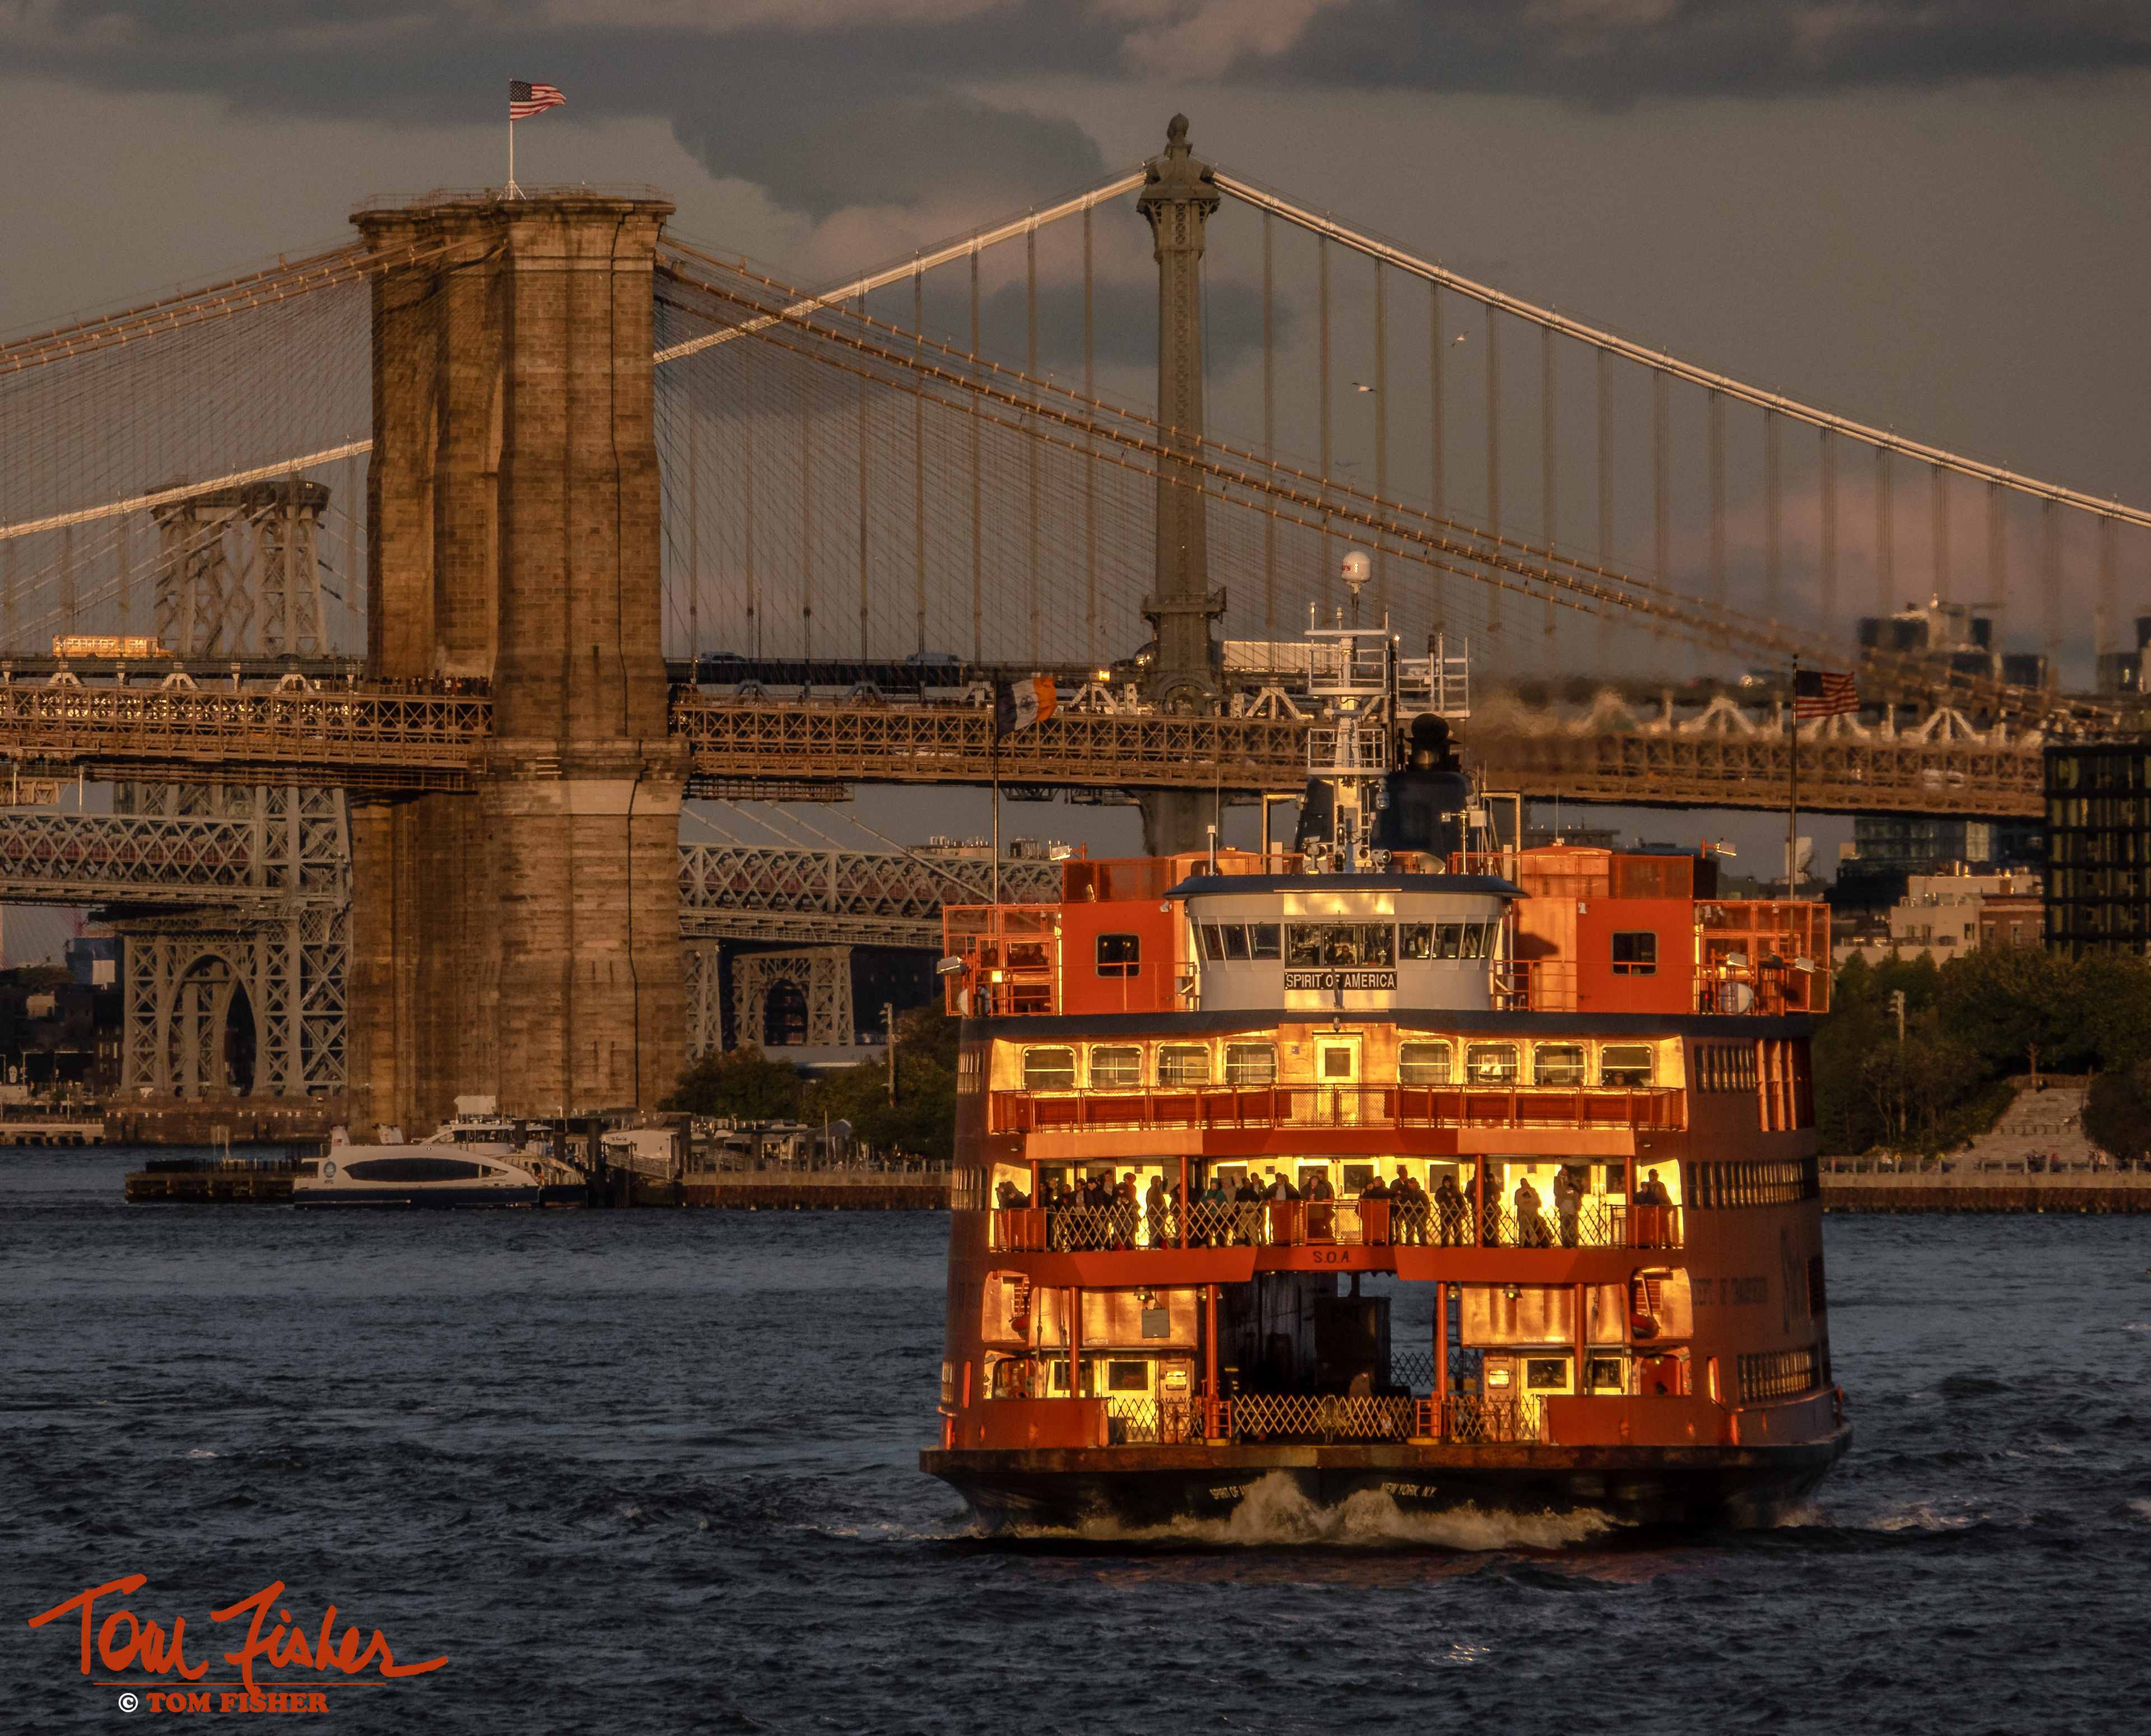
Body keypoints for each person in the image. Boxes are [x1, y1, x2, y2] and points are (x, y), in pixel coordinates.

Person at [1514, 1174, 1549, 1247]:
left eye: (1525, 1183)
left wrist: (1530, 1201)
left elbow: (1539, 1203)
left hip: (1532, 1214)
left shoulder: (1533, 1192)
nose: (1524, 1184)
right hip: (1523, 1214)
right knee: (1522, 1230)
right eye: (1522, 1183)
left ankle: (1533, 1244)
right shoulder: (1519, 1192)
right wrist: (1523, 1202)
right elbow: (1516, 1202)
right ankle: (1522, 1244)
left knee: (1532, 1229)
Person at [1433, 1172, 1468, 1246]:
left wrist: (1455, 1200)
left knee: (1457, 1229)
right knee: (1445, 1229)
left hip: (1455, 1212)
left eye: (1448, 1182)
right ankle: (1445, 1243)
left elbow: (1460, 1199)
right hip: (1445, 1212)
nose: (1447, 1184)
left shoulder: (1455, 1190)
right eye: (1445, 1182)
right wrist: (1447, 1199)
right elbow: (1438, 1199)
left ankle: (1458, 1243)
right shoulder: (1441, 1191)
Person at [1358, 1170, 1391, 1246]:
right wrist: (1365, 1192)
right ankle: (1368, 1240)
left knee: (1379, 1228)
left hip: (1379, 1213)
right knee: (1369, 1227)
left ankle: (1380, 1241)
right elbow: (1362, 1198)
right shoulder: (1368, 1190)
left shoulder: (1383, 1191)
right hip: (1369, 1212)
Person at [1553, 1166, 1582, 1248]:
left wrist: (1573, 1190)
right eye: (1563, 1170)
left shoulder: (1572, 1179)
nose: (1564, 1172)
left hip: (1572, 1204)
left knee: (1573, 1225)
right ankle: (1565, 1242)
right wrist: (1563, 1189)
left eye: (1565, 1170)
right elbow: (1556, 1192)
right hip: (1563, 1204)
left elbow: (1578, 1189)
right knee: (1564, 1224)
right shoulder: (1557, 1180)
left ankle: (1573, 1242)